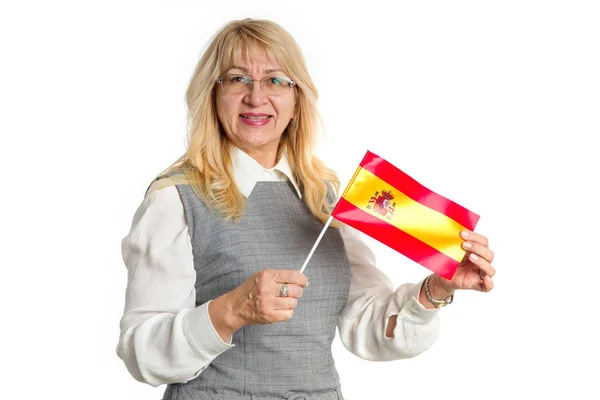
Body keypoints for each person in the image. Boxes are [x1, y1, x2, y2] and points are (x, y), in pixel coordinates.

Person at [117, 18, 496, 400]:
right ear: (212, 96)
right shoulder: (176, 197)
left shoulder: (324, 196)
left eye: (276, 80)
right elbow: (141, 353)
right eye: (236, 79)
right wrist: (232, 309)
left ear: (297, 101)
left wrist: (436, 288)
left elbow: (366, 327)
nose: (255, 96)